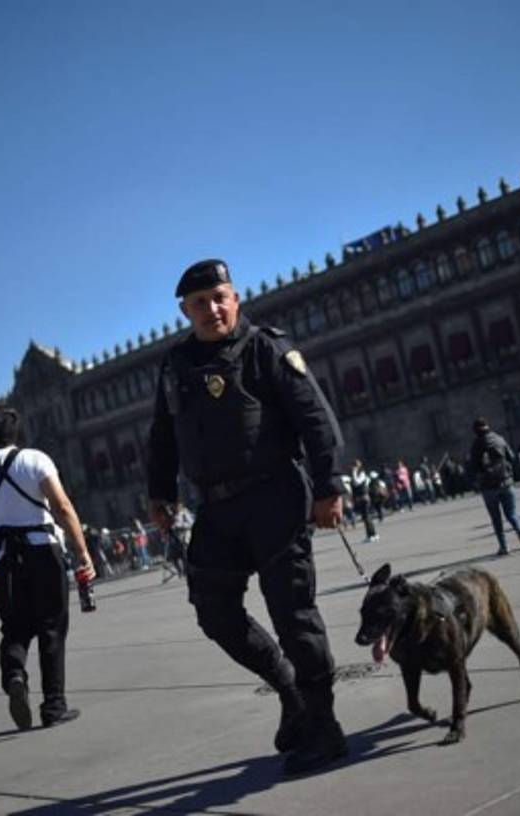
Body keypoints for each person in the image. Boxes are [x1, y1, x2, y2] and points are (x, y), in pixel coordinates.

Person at [146, 258, 348, 775]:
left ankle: (323, 727)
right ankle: (288, 689)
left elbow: (315, 418)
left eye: (220, 297)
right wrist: (160, 496)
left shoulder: (266, 348)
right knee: (213, 610)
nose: (213, 309)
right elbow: (163, 436)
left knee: (293, 613)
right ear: (185, 312)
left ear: (235, 299)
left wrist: (328, 488)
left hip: (276, 497)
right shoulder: (176, 365)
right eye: (200, 303)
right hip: (216, 508)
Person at [0, 407, 96, 731]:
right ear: (15, 434)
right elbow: (62, 507)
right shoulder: (36, 459)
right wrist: (83, 551)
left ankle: (15, 673)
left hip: (3, 561)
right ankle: (53, 706)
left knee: (15, 627)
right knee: (51, 627)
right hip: (43, 551)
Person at [466, 417, 520, 556]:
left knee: (496, 518)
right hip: (506, 481)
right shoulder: (499, 439)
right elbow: (512, 457)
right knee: (512, 513)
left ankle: (504, 547)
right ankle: (519, 529)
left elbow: (473, 468)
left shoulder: (476, 445)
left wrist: (476, 482)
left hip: (488, 487)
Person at [350, 460, 378, 542]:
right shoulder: (357, 474)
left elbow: (356, 482)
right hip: (361, 498)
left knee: (366, 517)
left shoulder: (362, 473)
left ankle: (372, 535)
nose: (353, 467)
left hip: (364, 498)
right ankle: (371, 534)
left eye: (354, 466)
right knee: (365, 517)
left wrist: (354, 472)